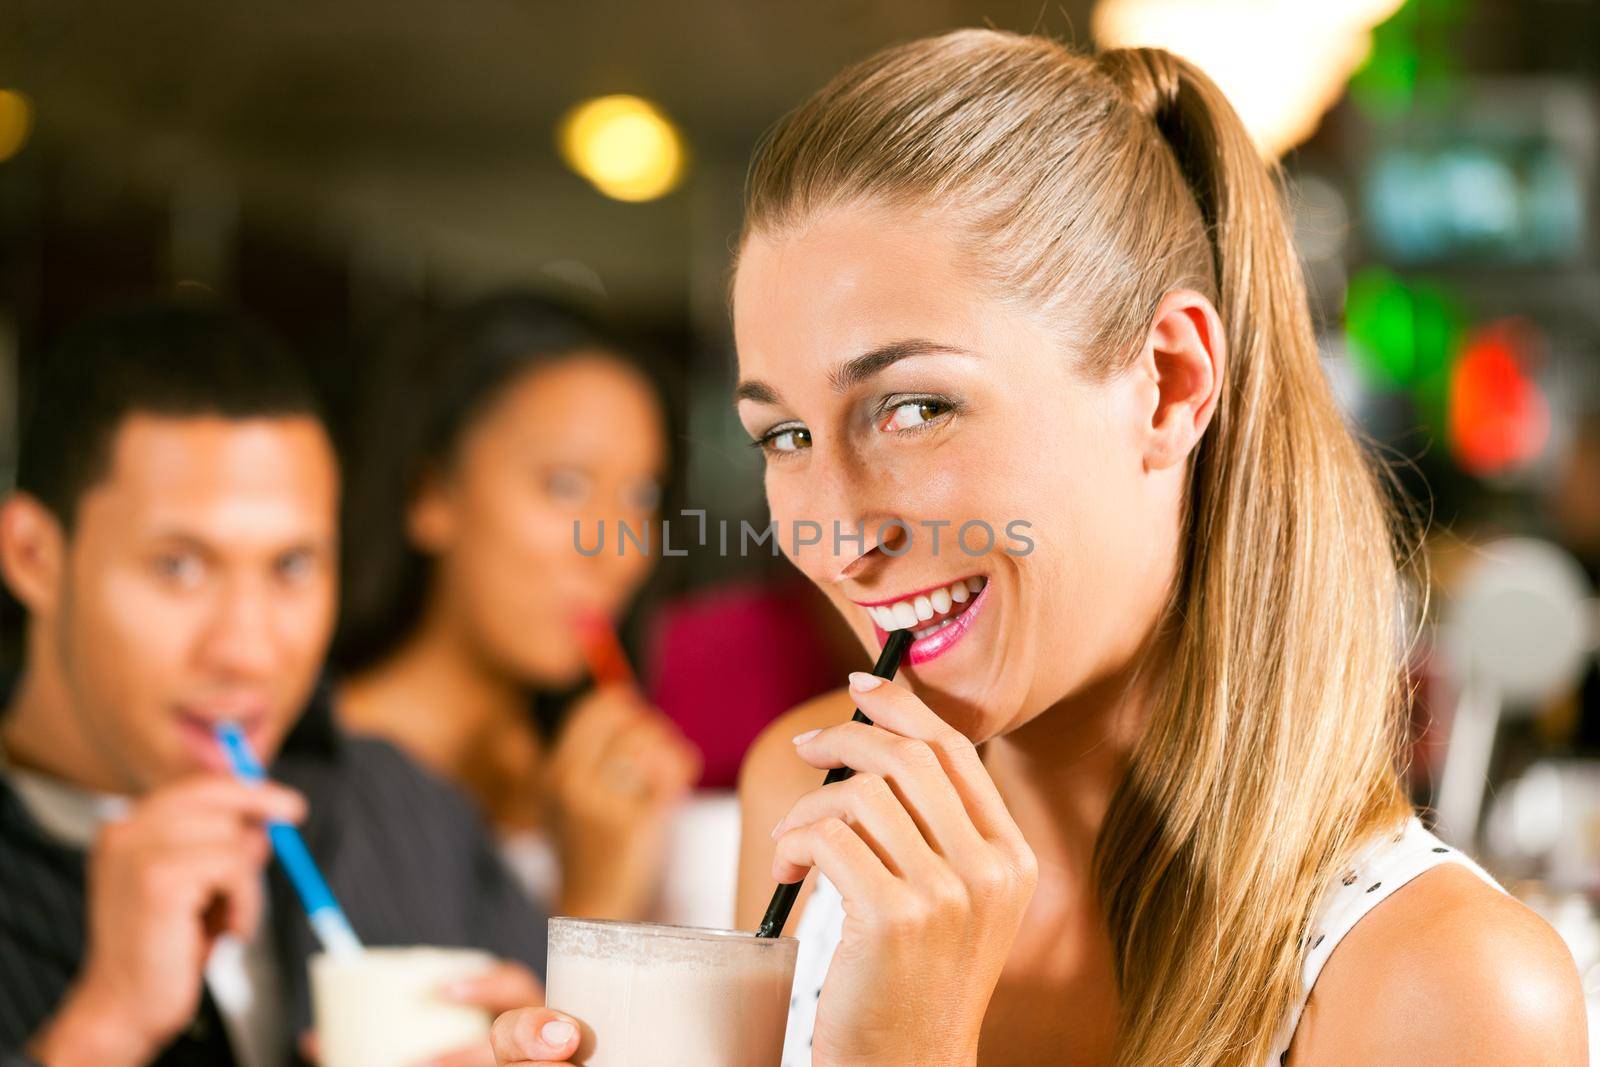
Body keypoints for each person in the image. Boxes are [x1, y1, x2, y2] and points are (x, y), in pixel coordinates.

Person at [491, 31, 1587, 1067]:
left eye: (913, 406)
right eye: (784, 433)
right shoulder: (811, 794)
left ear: (1168, 382)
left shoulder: (1448, 989)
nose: (832, 530)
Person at [0, 301, 546, 1067]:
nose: (248, 651)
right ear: (33, 555)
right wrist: (102, 1030)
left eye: (292, 566)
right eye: (179, 566)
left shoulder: (403, 811)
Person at [336, 292, 699, 921]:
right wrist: (598, 901)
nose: (615, 549)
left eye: (642, 496)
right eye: (564, 485)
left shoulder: (602, 789)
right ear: (431, 495)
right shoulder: (310, 785)